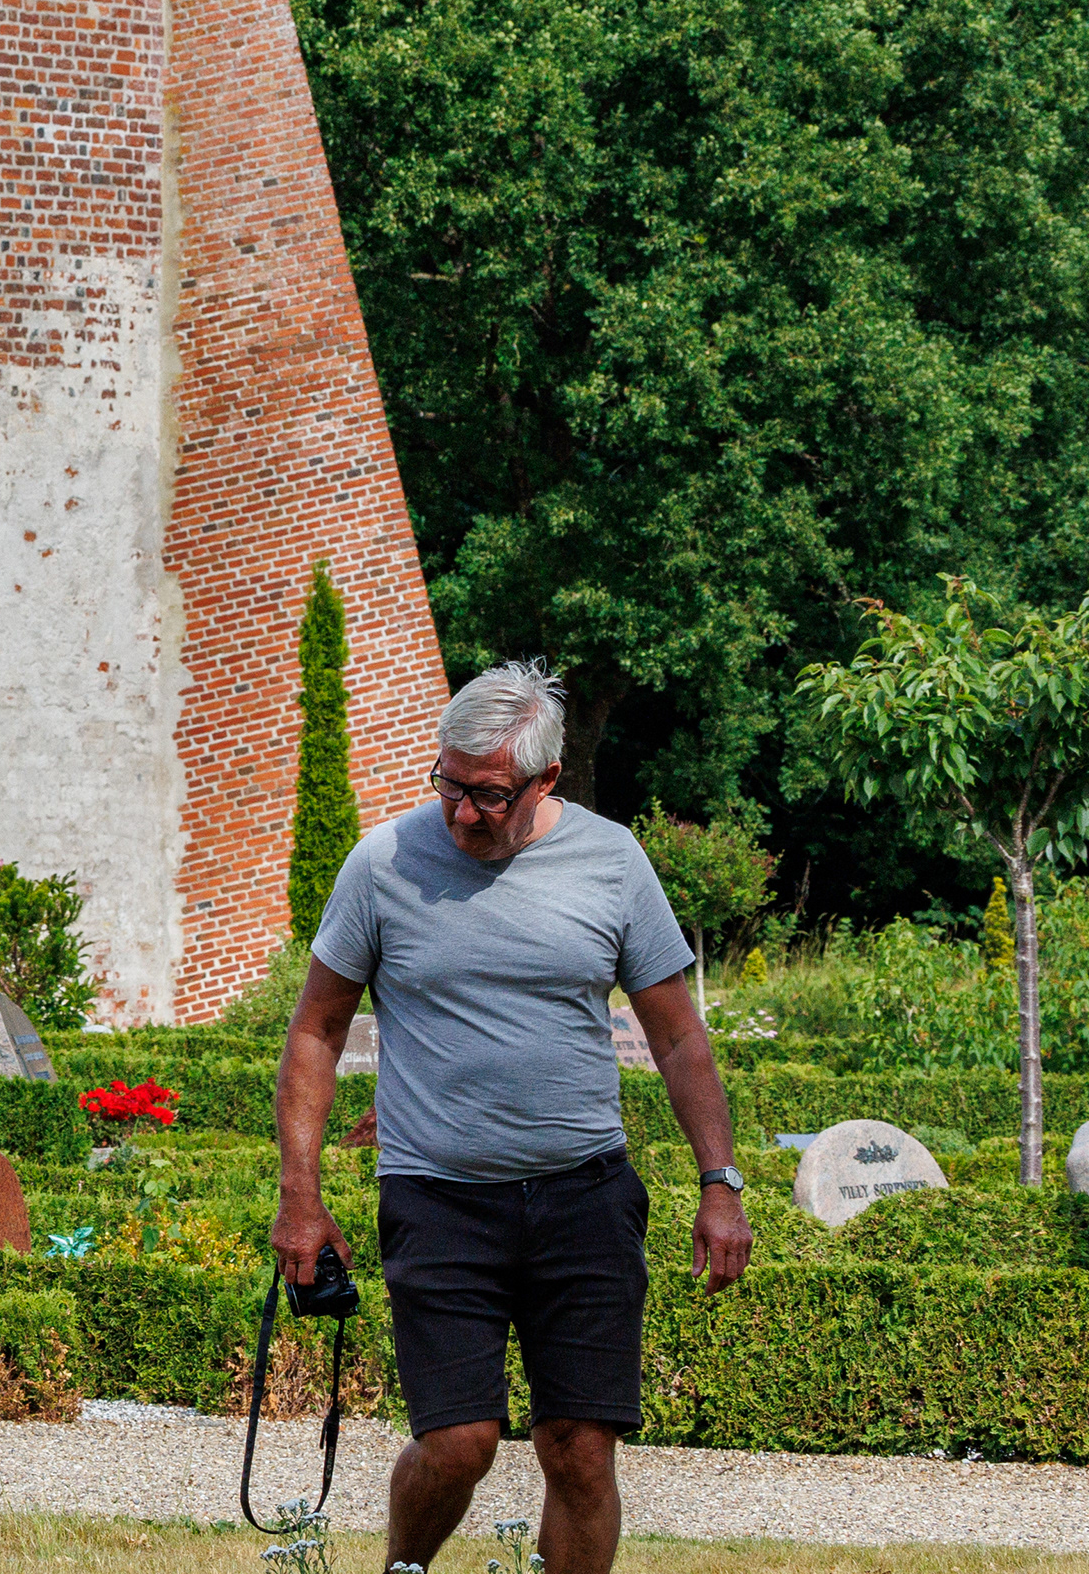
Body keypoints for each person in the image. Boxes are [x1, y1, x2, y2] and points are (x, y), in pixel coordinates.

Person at [269, 661, 748, 1574]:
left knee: (579, 1447)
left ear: (546, 781)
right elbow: (316, 1031)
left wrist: (718, 1182)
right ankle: (402, 1570)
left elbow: (681, 1038)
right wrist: (302, 1195)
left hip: (584, 1199)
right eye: (448, 785)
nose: (460, 814)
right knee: (460, 1443)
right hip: (438, 1198)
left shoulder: (612, 862)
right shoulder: (383, 864)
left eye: (487, 796)